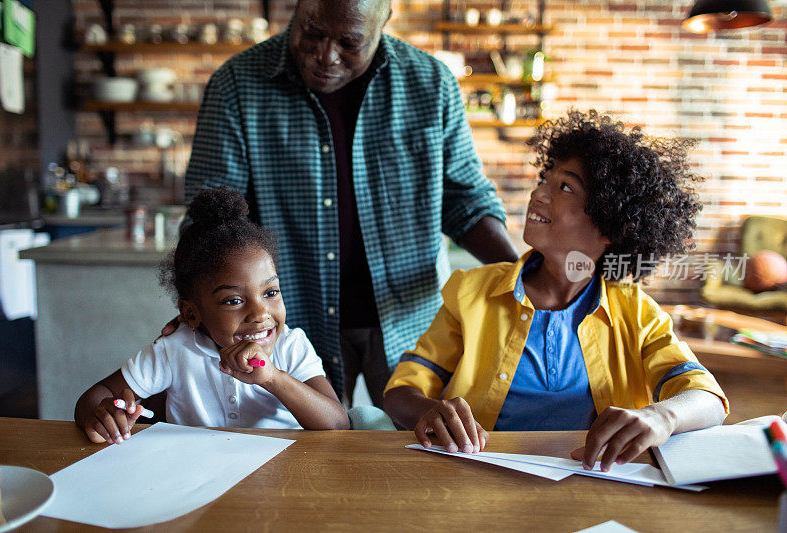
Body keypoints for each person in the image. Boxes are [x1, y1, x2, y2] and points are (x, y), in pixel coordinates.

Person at [181, 0, 519, 408]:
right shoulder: (237, 85)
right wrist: (196, 302)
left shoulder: (431, 83)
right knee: (309, 457)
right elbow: (214, 216)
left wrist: (524, 274)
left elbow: (465, 200)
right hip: (291, 323)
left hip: (410, 323)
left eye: (349, 42)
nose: (326, 55)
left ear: (384, 22)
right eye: (312, 32)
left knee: (417, 455)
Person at [383, 109, 729, 471]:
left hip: (597, 484)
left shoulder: (637, 314)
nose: (538, 194)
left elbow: (705, 397)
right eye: (544, 180)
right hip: (477, 479)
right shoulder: (472, 292)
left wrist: (663, 417)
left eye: (564, 187)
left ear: (610, 222)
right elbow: (400, 391)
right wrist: (430, 410)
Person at [75, 187, 349, 444]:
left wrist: (273, 378)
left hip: (282, 478)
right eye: (234, 300)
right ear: (191, 313)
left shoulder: (291, 345)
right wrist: (104, 415)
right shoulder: (174, 350)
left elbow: (338, 423)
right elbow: (93, 398)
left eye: (270, 292)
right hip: (196, 477)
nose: (260, 312)